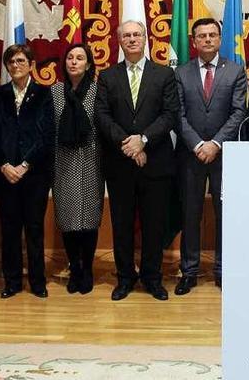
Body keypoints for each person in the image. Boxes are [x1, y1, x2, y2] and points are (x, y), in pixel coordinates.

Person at [95, 20, 179, 301]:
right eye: (126, 35)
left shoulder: (164, 74)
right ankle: (125, 278)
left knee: (154, 225)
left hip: (155, 162)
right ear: (119, 41)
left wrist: (142, 140)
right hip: (120, 165)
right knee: (122, 225)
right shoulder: (107, 77)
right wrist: (129, 145)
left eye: (136, 35)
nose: (132, 40)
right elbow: (103, 116)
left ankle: (152, 278)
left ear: (146, 39)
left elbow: (170, 114)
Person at [174, 18, 247, 294]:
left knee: (224, 213)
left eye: (212, 35)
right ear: (193, 41)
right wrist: (197, 145)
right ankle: (189, 271)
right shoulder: (181, 73)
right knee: (190, 214)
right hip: (190, 156)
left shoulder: (235, 71)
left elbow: (239, 112)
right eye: (201, 36)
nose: (207, 40)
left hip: (224, 156)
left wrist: (215, 144)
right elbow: (177, 114)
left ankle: (223, 269)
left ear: (219, 39)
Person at [0, 44, 54, 299]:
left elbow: (47, 135)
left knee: (34, 228)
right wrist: (4, 165)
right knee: (10, 229)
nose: (15, 65)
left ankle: (37, 282)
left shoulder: (45, 94)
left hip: (34, 174)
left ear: (31, 64)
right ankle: (12, 281)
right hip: (4, 175)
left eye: (21, 60)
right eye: (11, 61)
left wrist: (25, 165)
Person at [51, 43, 104, 295]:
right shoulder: (55, 93)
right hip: (63, 162)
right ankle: (75, 267)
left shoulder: (97, 91)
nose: (73, 62)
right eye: (70, 57)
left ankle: (88, 268)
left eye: (80, 58)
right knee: (69, 219)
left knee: (90, 219)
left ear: (89, 64)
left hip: (92, 160)